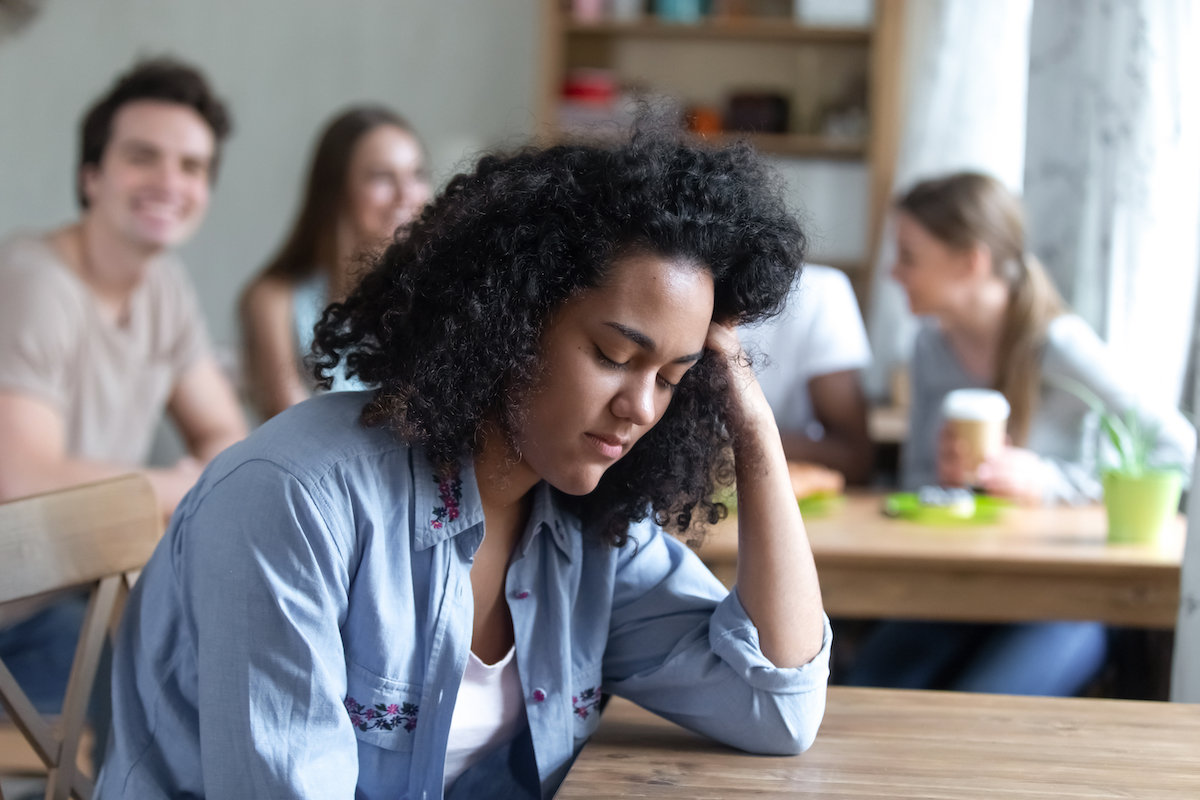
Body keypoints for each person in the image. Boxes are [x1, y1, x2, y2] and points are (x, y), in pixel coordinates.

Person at [96, 130, 832, 799]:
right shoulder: (295, 502)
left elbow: (777, 708)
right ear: (508, 320)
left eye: (672, 377)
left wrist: (752, 426)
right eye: (613, 356)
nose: (640, 407)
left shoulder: (583, 525)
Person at [845, 172, 1194, 696]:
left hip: (1068, 598)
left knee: (980, 709)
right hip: (962, 587)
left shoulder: (1060, 346)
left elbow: (1180, 448)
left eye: (909, 256)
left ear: (972, 261)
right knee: (862, 689)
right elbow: (917, 481)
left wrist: (1048, 481)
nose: (894, 272)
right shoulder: (930, 349)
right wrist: (941, 481)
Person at [0, 59, 247, 718]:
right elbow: (20, 480)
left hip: (66, 595)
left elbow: (228, 440)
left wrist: (198, 477)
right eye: (144, 157)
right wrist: (176, 484)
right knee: (186, 684)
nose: (171, 182)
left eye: (192, 167)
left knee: (212, 658)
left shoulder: (163, 286)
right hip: (14, 617)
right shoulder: (35, 281)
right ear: (91, 176)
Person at [240, 106, 431, 420]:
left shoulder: (438, 295)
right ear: (336, 189)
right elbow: (293, 423)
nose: (406, 194)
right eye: (382, 177)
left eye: (417, 174)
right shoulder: (275, 299)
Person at [737, 264, 873, 494]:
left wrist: (738, 444)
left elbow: (854, 458)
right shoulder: (677, 280)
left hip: (783, 493)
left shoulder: (819, 291)